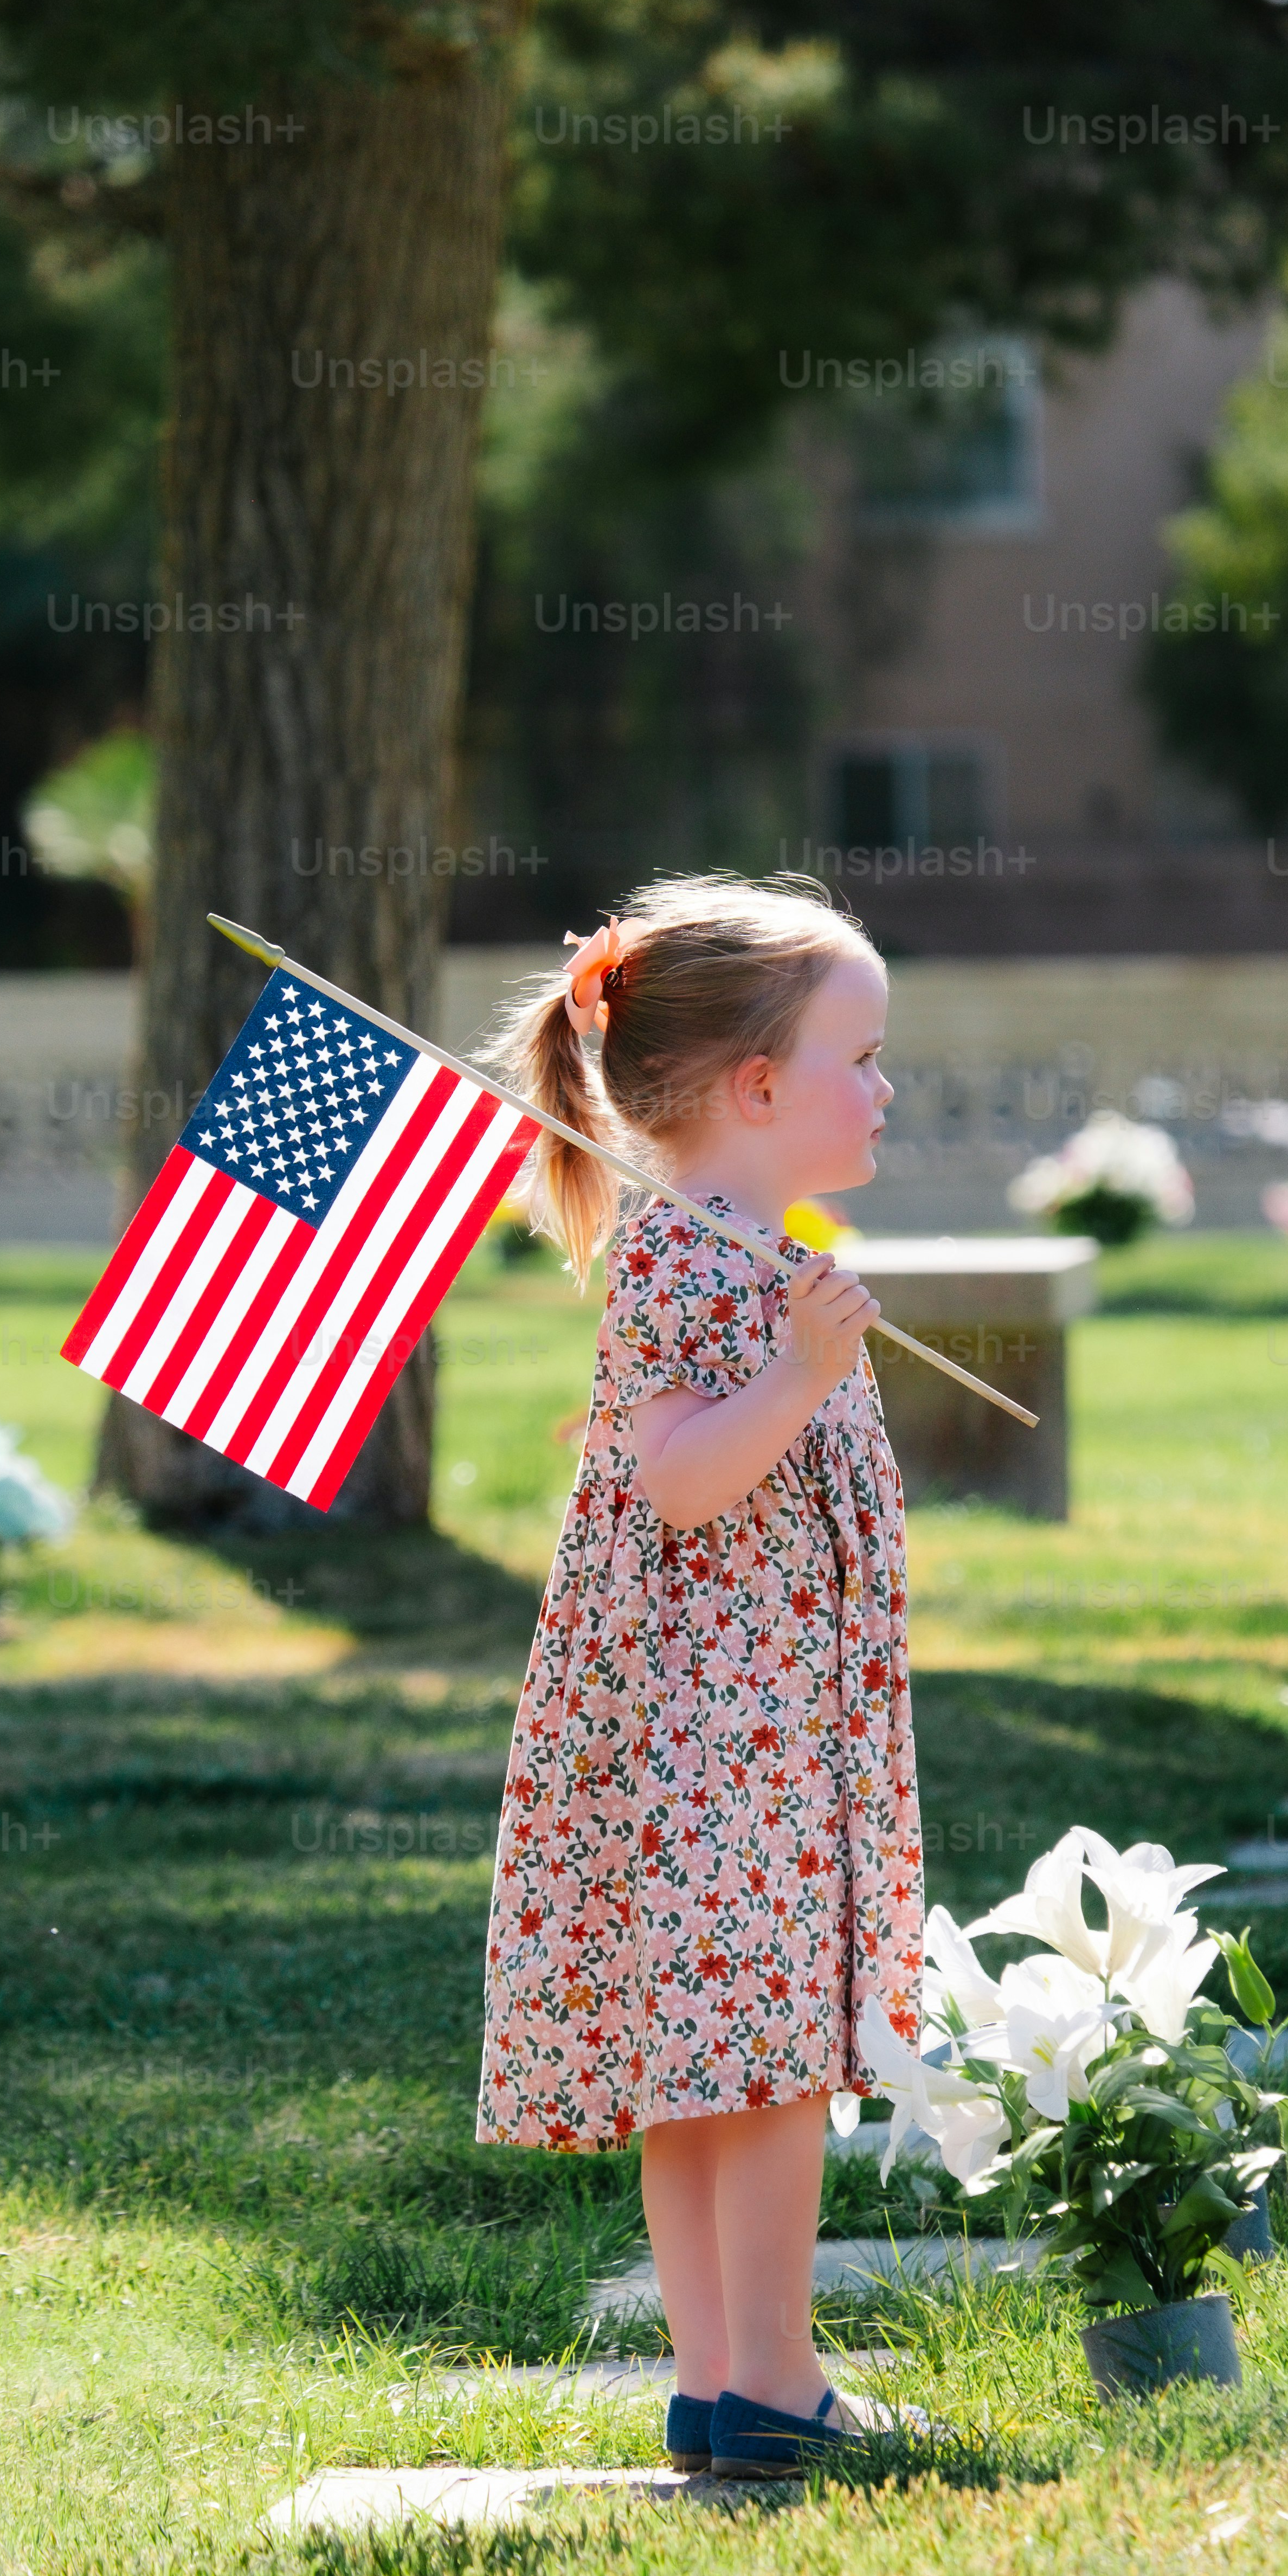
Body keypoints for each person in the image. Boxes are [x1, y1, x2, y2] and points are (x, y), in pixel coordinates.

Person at [474, 873, 924, 2478]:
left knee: (716, 2062)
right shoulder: (690, 1260)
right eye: (861, 1059)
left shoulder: (751, 1244)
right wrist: (807, 1374)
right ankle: (773, 2380)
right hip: (713, 1743)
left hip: (754, 1730)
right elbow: (679, 1480)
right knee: (762, 2062)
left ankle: (723, 2381)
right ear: (756, 1088)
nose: (883, 1090)